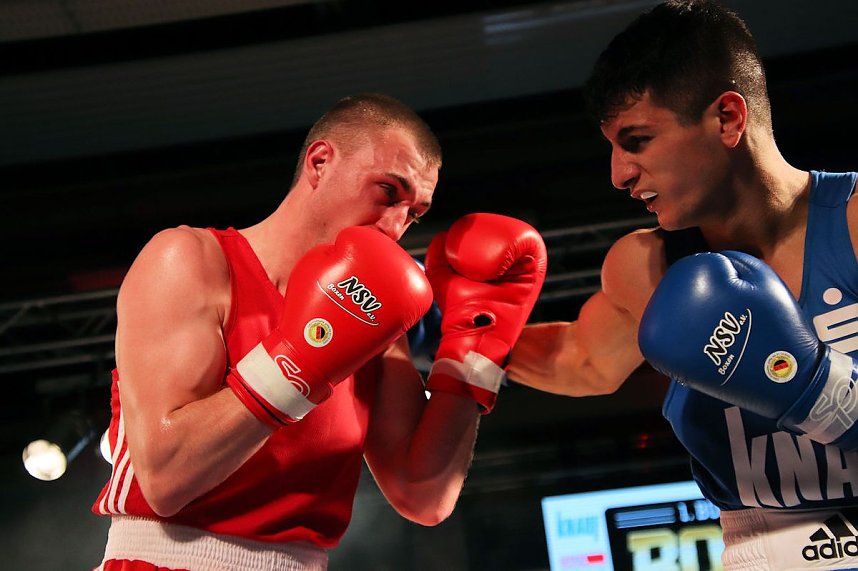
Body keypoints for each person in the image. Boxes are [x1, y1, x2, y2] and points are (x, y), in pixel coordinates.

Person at [92, 92, 547, 571]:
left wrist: (473, 353)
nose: (395, 226)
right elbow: (165, 478)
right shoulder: (191, 260)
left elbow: (424, 496)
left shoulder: (374, 319)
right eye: (388, 192)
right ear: (320, 162)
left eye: (414, 213)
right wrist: (301, 360)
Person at [507, 1, 858, 569]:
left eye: (638, 140)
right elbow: (582, 360)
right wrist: (448, 337)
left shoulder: (854, 223)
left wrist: (820, 391)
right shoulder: (646, 267)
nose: (619, 174)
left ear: (727, 119)